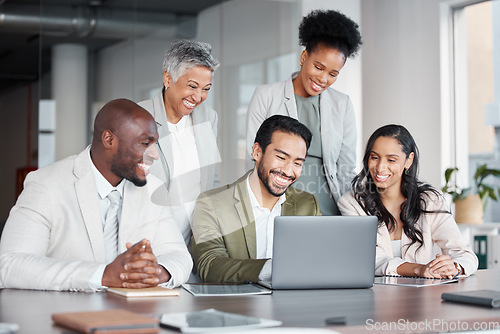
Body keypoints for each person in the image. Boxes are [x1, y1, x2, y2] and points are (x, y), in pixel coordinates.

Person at [0, 99, 192, 291]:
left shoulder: (154, 189)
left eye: (155, 144)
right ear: (109, 140)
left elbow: (179, 255)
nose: (155, 155)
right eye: (144, 143)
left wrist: (156, 272)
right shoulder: (46, 184)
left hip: (135, 314)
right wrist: (104, 275)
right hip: (65, 315)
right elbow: (10, 265)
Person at [246, 10, 362, 216]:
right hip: (278, 205)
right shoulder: (266, 95)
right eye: (318, 67)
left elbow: (345, 168)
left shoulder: (342, 104)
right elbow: (254, 157)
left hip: (329, 207)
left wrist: (355, 215)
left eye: (333, 74)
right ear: (304, 56)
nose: (323, 79)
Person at [191, 115, 321, 283]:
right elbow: (209, 265)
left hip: (293, 304)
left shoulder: (308, 204)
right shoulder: (211, 204)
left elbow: (319, 259)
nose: (288, 171)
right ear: (257, 152)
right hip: (237, 305)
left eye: (297, 163)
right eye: (281, 158)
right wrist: (271, 269)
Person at [338, 124, 478, 278]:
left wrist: (455, 267)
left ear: (408, 160)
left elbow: (465, 254)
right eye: (374, 157)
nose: (380, 167)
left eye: (391, 160)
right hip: (374, 295)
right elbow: (369, 259)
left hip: (420, 297)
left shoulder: (430, 200)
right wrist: (419, 269)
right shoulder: (352, 203)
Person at [139, 39, 221, 246]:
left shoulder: (209, 118)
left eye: (206, 89)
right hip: (149, 236)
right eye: (192, 86)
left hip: (194, 238)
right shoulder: (139, 116)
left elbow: (213, 177)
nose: (198, 96)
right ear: (168, 78)